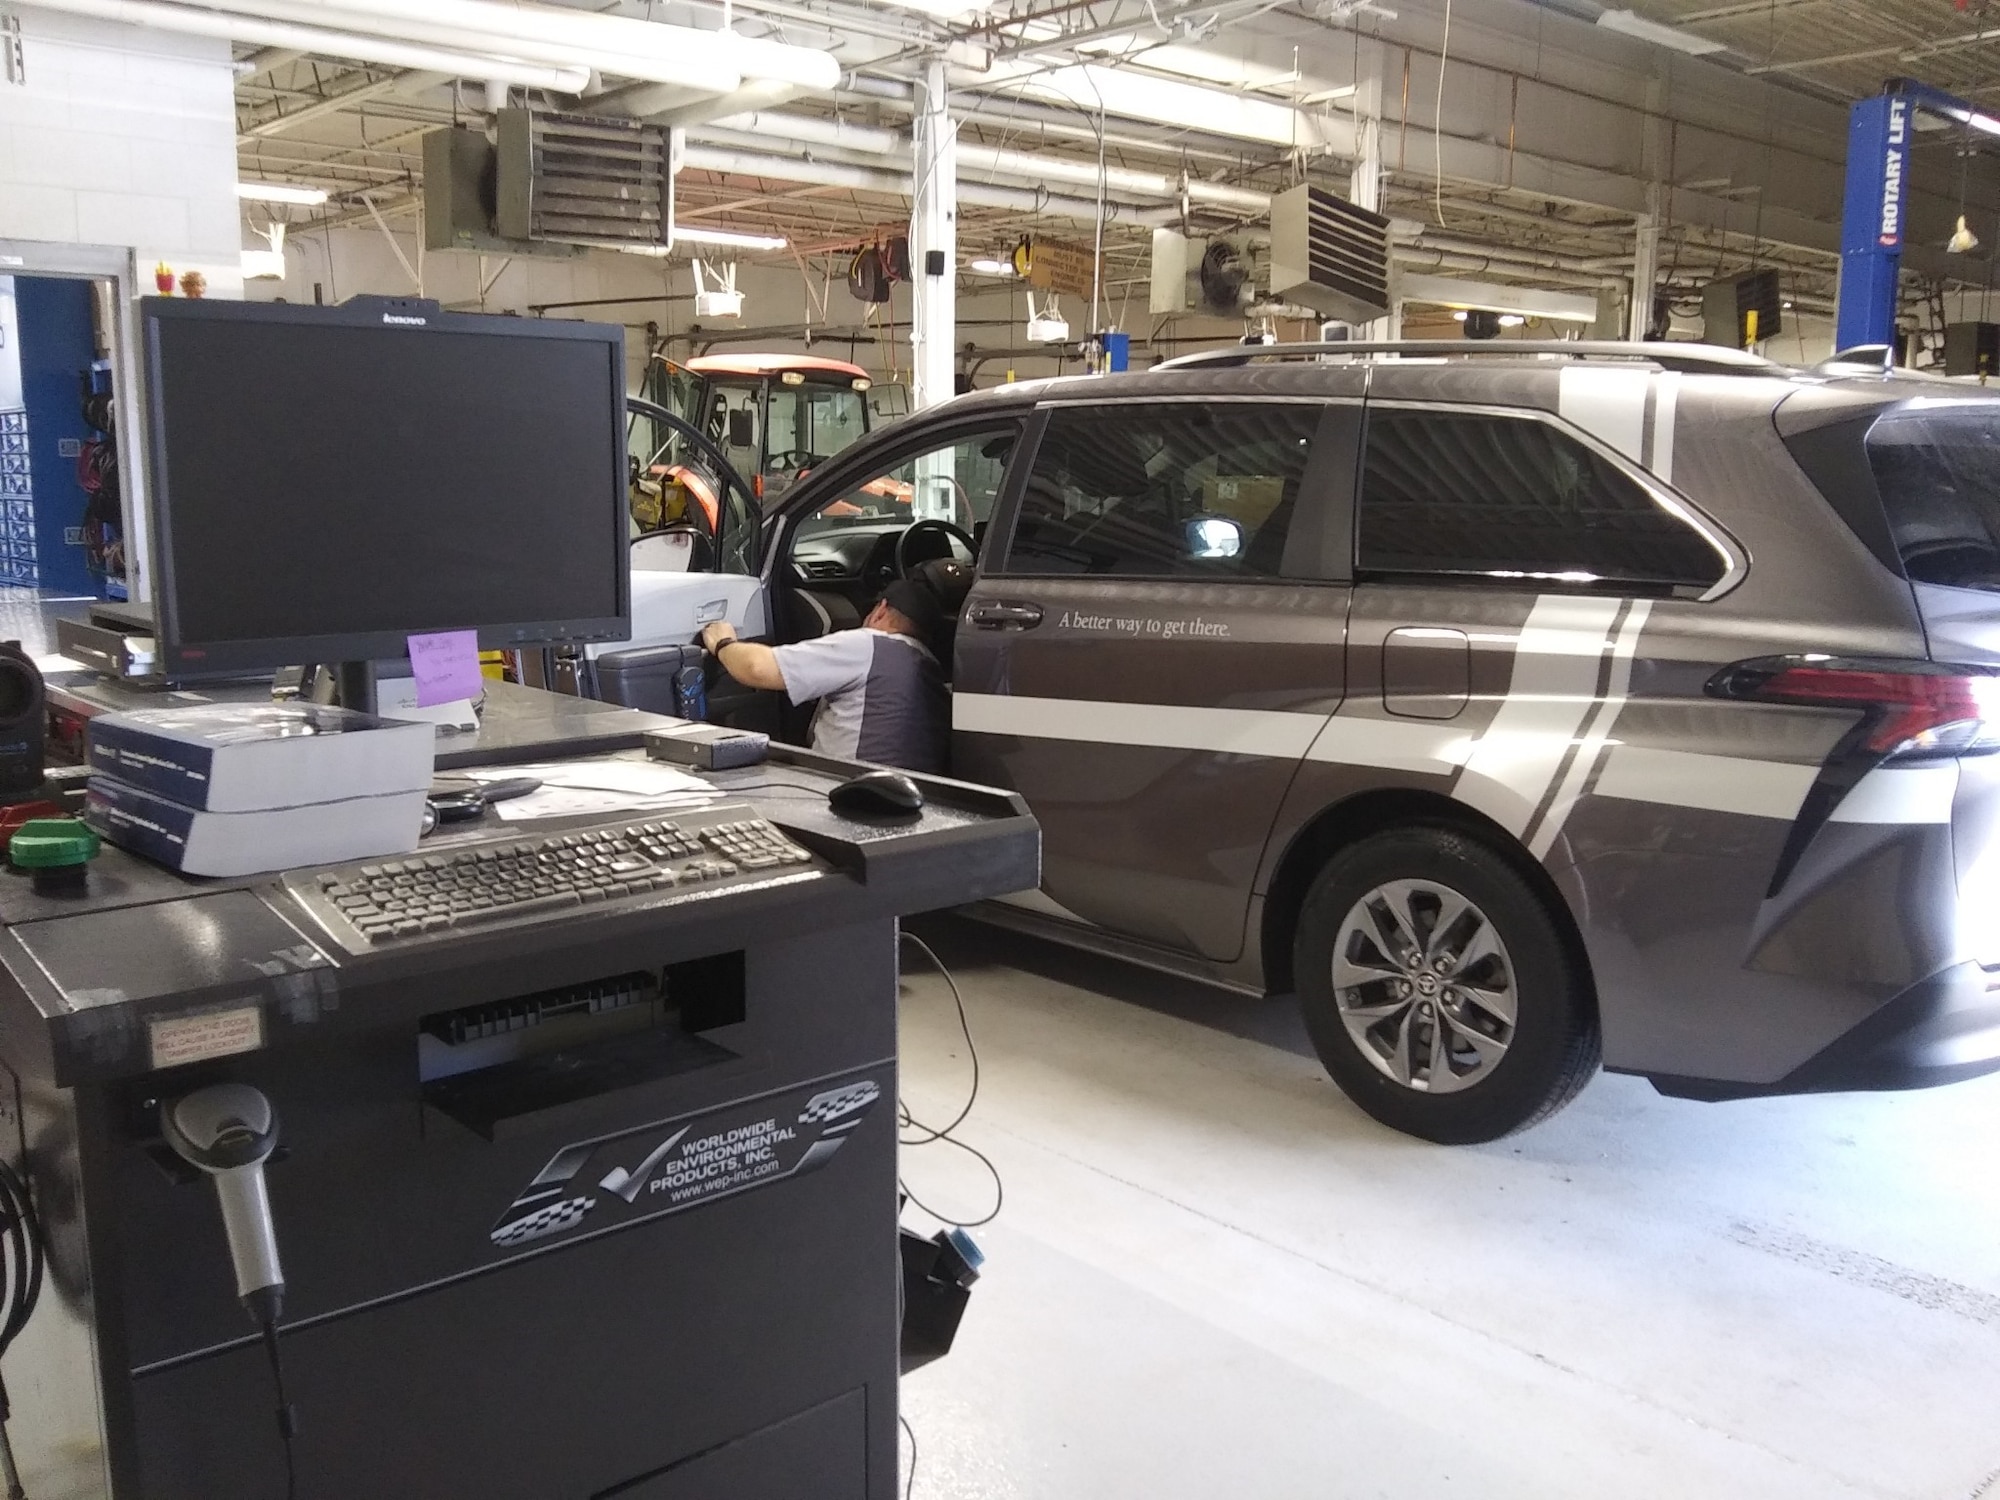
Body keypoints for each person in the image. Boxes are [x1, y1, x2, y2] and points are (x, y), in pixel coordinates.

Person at [699, 579, 950, 773]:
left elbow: (756, 668)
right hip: (909, 800)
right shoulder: (933, 674)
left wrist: (723, 643)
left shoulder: (868, 644)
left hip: (845, 791)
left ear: (880, 611)